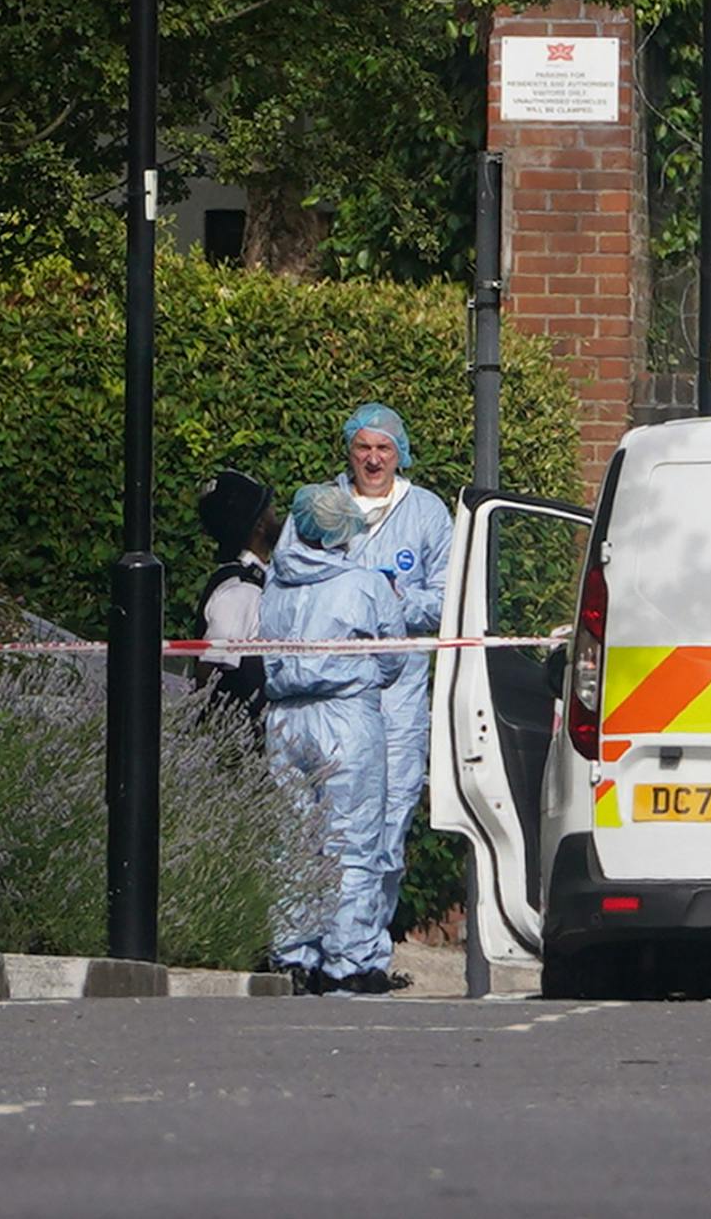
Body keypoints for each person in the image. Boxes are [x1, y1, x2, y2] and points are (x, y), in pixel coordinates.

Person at [259, 483, 407, 995]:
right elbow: (394, 657)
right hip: (345, 718)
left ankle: (292, 953)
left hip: (284, 720)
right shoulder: (365, 585)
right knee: (353, 839)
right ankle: (349, 958)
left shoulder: (274, 585)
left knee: (293, 840)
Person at [334, 403, 453, 953]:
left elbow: (450, 597)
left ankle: (365, 945)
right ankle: (326, 942)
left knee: (389, 818)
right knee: (328, 825)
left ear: (399, 453)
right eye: (364, 448)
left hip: (399, 697)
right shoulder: (323, 508)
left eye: (383, 448)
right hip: (333, 693)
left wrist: (395, 601)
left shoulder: (426, 512)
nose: (373, 459)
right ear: (349, 452)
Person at [192, 470, 277, 732]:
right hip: (241, 738)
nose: (277, 515)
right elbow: (212, 666)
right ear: (260, 525)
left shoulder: (250, 579)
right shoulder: (241, 590)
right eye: (270, 509)